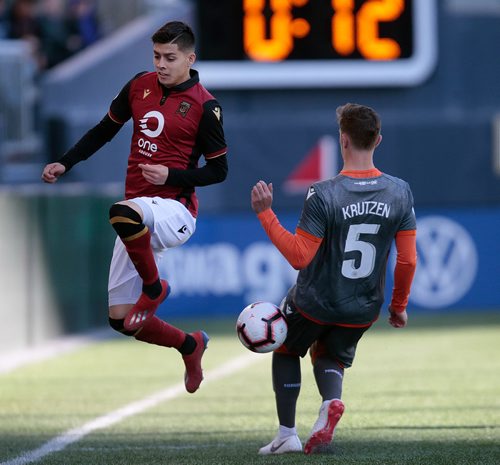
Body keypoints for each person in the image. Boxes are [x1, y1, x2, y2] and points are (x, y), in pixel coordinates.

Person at [42, 21, 228, 394]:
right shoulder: (138, 86)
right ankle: (190, 345)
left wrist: (171, 175)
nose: (161, 64)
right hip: (139, 216)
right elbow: (103, 129)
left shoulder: (206, 106)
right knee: (123, 321)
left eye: (170, 58)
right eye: (157, 56)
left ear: (190, 59)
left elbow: (219, 171)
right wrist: (66, 162)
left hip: (175, 211)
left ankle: (154, 287)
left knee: (122, 212)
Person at [251, 103, 417, 454]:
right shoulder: (400, 191)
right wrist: (398, 306)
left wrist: (265, 214)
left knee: (285, 347)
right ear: (378, 140)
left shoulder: (324, 193)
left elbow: (300, 256)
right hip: (363, 306)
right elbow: (407, 260)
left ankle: (286, 435)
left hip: (315, 300)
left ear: (343, 139)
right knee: (329, 356)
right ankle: (330, 403)